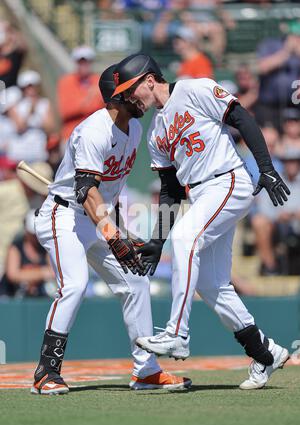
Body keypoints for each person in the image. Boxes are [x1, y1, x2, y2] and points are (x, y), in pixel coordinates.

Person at [112, 53, 290, 390]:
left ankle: (177, 334)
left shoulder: (194, 90)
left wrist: (266, 168)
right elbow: (170, 190)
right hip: (202, 194)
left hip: (229, 180)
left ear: (150, 79)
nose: (129, 96)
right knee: (212, 286)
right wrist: (157, 240)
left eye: (131, 88)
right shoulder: (155, 133)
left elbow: (241, 117)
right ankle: (265, 352)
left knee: (185, 239)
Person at [31, 64, 191, 395]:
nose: (144, 97)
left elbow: (110, 192)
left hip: (93, 217)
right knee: (74, 285)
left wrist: (118, 230)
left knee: (135, 280)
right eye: (135, 91)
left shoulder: (133, 131)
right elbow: (86, 190)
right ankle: (46, 373)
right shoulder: (93, 131)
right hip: (62, 215)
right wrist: (113, 236)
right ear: (118, 96)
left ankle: (146, 371)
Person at [0, 210, 54, 297]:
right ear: (26, 231)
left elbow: (53, 272)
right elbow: (13, 274)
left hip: (38, 297)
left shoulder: (46, 248)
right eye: (33, 234)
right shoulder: (15, 248)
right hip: (12, 297)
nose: (36, 237)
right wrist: (43, 273)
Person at [57, 45, 105, 141]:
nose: (84, 65)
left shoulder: (99, 80)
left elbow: (105, 109)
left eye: (87, 61)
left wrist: (81, 104)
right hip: (71, 136)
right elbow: (65, 111)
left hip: (96, 135)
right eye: (80, 62)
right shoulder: (66, 82)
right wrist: (90, 98)